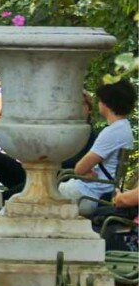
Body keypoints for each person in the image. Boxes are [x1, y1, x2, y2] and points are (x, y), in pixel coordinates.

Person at [58, 79, 137, 216]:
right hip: (98, 191)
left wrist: (84, 172)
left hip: (86, 195)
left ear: (106, 103)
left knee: (41, 193)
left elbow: (79, 168)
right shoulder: (125, 128)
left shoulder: (111, 132)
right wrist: (86, 173)